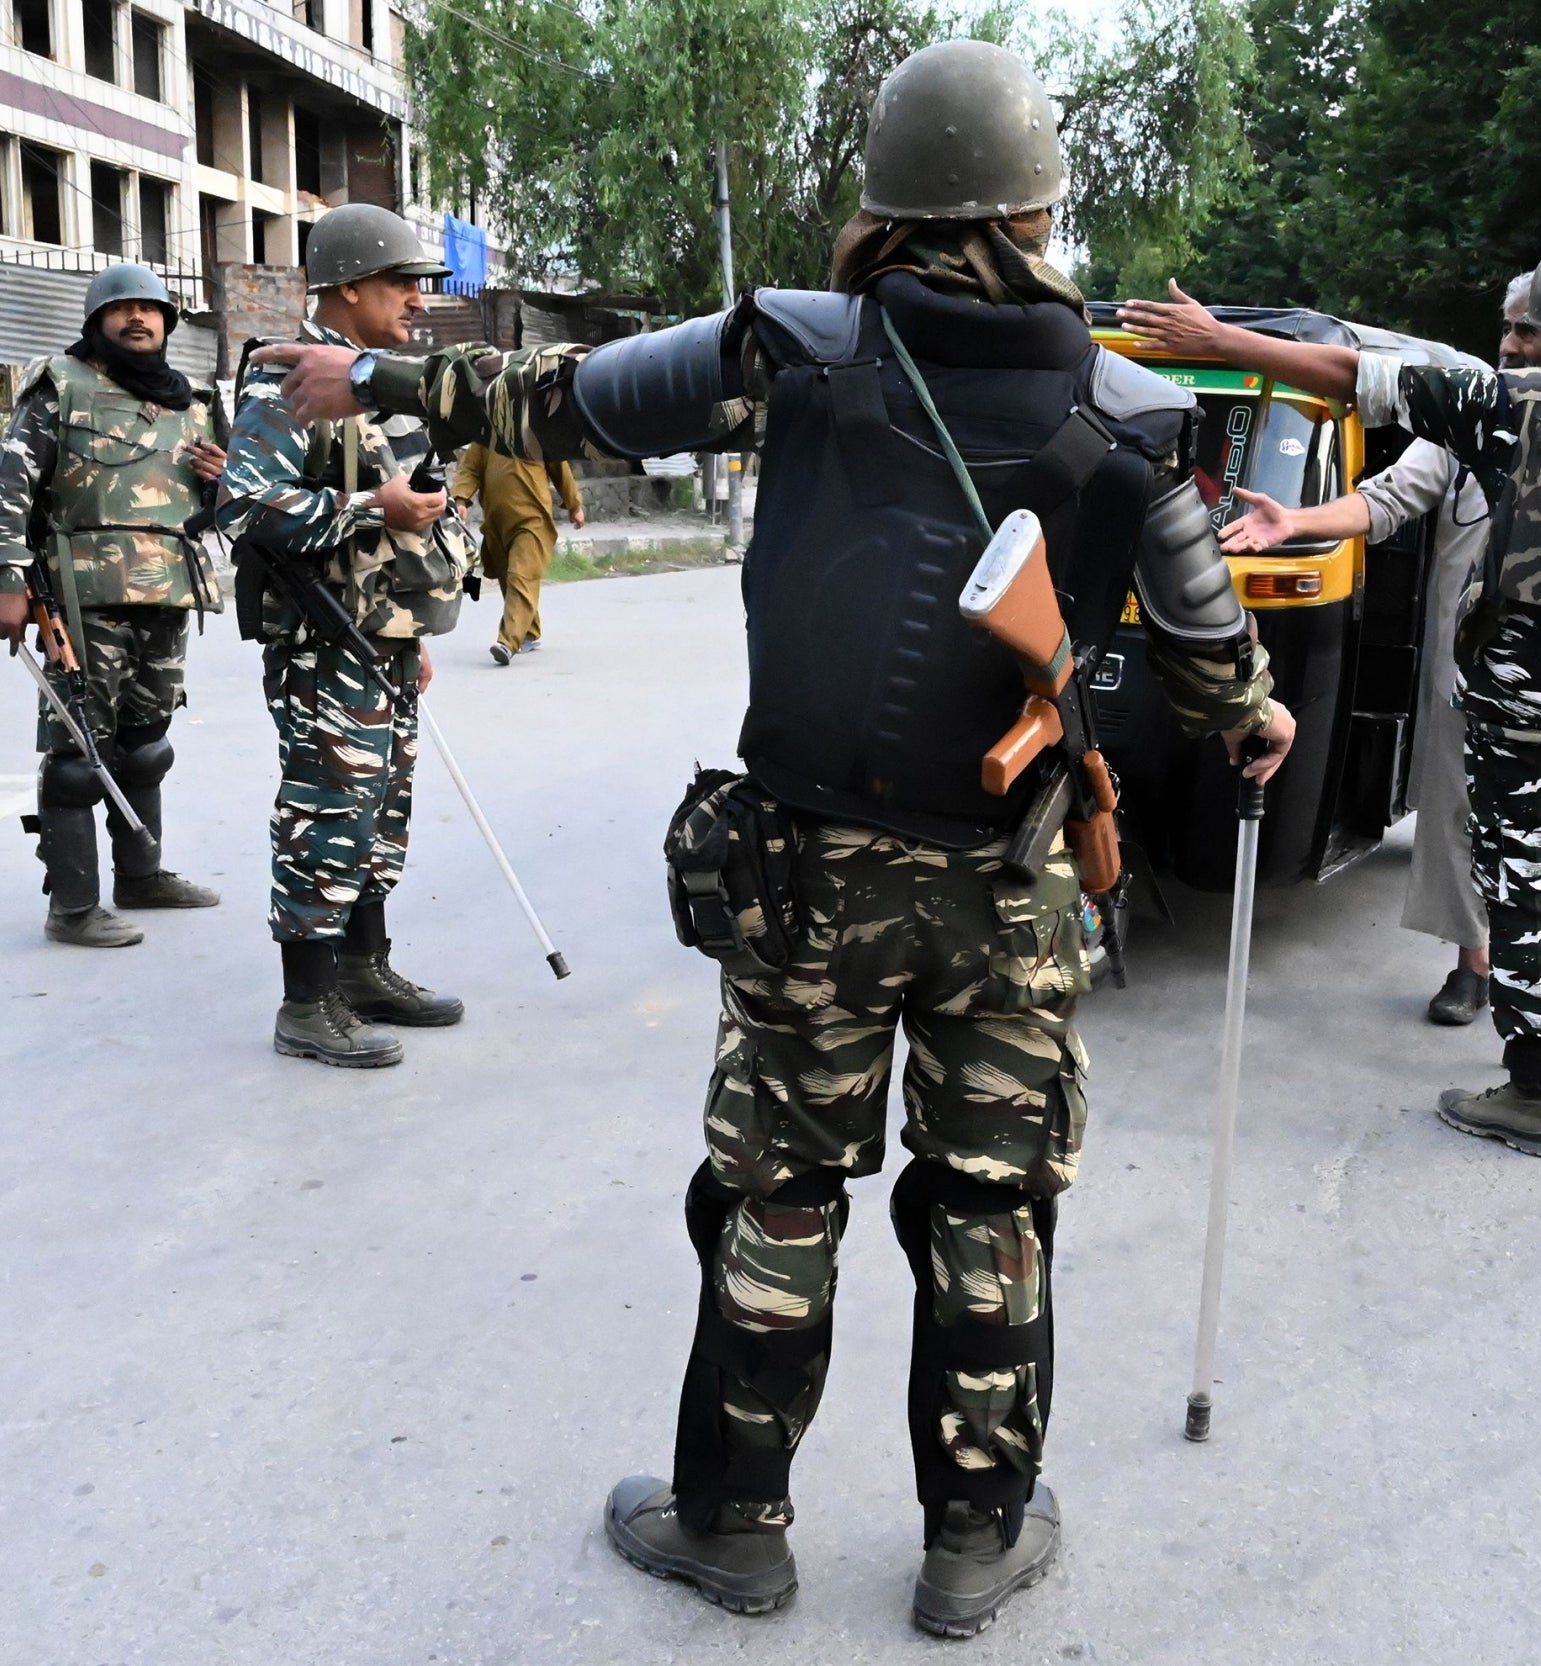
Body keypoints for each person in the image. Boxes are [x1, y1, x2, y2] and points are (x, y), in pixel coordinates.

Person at [253, 38, 1295, 1637]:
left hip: (805, 880)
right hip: (1010, 882)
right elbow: (1216, 660)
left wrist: (376, 376)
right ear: (1037, 203)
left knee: (777, 1193)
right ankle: (974, 1537)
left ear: (880, 201)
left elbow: (562, 403)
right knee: (990, 1207)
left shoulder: (787, 349)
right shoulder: (1133, 408)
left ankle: (733, 1522)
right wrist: (1256, 722)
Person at [1123, 230, 1541, 1158]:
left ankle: (1534, 1092)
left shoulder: (1498, 400)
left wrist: (1225, 341)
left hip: (1514, 697)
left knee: (1524, 877)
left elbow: (1354, 374)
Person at [1194, 272, 1541, 1027]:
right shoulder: (1476, 410)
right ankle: (1474, 962)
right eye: (1508, 327)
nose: (1512, 343)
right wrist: (1294, 520)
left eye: (1529, 329)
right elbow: (1388, 497)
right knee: (1459, 808)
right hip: (1470, 668)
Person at [215, 203, 474, 1069]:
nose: (416, 300)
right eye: (402, 283)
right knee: (327, 814)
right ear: (350, 287)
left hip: (380, 640)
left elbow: (409, 522)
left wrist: (413, 626)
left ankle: (365, 970)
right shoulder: (286, 377)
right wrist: (373, 504)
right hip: (322, 646)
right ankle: (305, 1004)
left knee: (378, 813)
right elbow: (244, 508)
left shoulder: (370, 379)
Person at [0, 263, 227, 947]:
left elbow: (220, 509)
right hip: (82, 601)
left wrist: (223, 482)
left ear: (168, 322)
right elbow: (10, 487)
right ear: (96, 321)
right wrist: (4, 580)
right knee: (80, 751)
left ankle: (142, 877)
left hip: (168, 591)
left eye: (151, 309)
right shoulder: (63, 389)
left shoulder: (192, 402)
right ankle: (73, 907)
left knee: (147, 748)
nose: (138, 319)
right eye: (122, 309)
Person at [451, 441, 583, 665]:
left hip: (533, 521)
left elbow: (560, 468)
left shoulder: (536, 430)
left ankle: (508, 641)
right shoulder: (487, 433)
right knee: (508, 578)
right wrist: (461, 499)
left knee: (519, 574)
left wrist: (574, 505)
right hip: (497, 524)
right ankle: (529, 631)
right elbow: (471, 468)